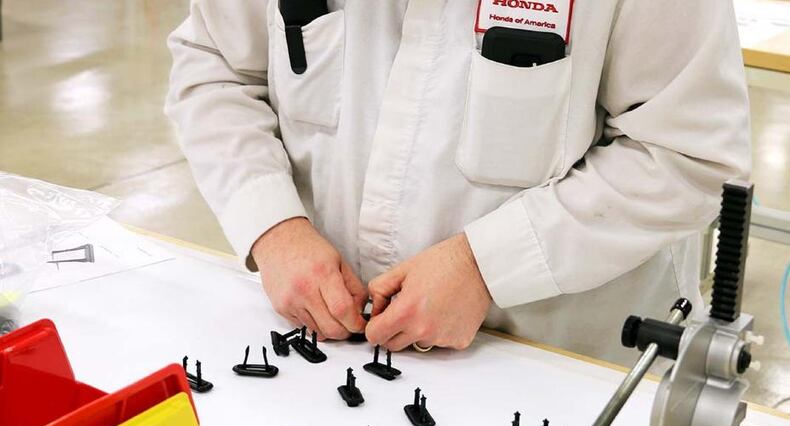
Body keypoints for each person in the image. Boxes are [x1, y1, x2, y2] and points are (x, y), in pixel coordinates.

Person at [165, 0, 750, 364]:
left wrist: (485, 265)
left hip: (554, 365)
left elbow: (686, 155)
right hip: (322, 351)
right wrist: (273, 227)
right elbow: (216, 63)